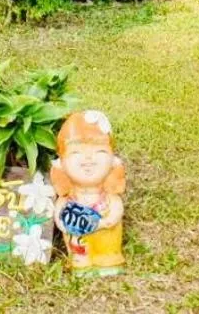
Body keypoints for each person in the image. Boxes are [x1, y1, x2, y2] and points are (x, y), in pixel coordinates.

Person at [50, 110, 126, 275]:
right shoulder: (68, 199)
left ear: (113, 162)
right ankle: (79, 261)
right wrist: (63, 223)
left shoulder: (109, 198)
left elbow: (116, 211)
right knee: (79, 252)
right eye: (76, 153)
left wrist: (105, 222)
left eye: (100, 152)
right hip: (77, 240)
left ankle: (108, 257)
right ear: (60, 164)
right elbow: (59, 214)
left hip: (106, 235)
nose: (88, 160)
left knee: (107, 247)